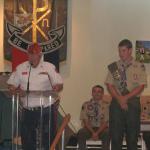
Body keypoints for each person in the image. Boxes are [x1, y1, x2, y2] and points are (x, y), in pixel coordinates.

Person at [7, 43, 63, 150]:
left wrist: (56, 88)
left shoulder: (49, 67)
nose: (31, 57)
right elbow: (11, 84)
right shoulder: (21, 67)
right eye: (30, 54)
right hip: (28, 111)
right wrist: (15, 89)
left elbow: (59, 84)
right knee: (28, 142)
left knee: (48, 141)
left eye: (34, 54)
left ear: (40, 55)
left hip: (46, 110)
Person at [105, 39, 147, 150]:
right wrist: (120, 99)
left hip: (132, 102)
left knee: (132, 136)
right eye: (119, 51)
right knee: (115, 136)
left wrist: (125, 98)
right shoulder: (114, 66)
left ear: (130, 50)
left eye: (123, 51)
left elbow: (141, 86)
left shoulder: (139, 66)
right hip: (116, 103)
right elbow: (110, 85)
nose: (120, 54)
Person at [77, 85, 110, 150]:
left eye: (99, 92)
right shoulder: (86, 105)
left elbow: (106, 122)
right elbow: (85, 121)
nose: (96, 93)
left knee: (107, 133)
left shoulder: (107, 105)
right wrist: (93, 132)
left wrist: (97, 133)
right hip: (89, 129)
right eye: (94, 91)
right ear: (92, 93)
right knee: (81, 133)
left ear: (102, 94)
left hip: (102, 129)